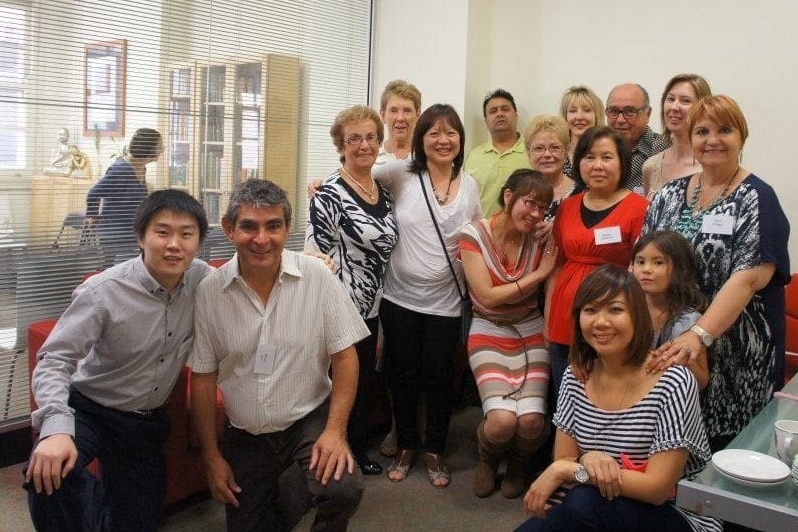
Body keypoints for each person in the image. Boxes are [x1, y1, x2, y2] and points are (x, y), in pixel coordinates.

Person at [24, 189, 211, 532]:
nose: (174, 244)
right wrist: (54, 428)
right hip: (90, 408)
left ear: (198, 241)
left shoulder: (204, 281)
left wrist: (313, 260)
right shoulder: (102, 291)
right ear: (141, 236)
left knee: (138, 521)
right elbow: (54, 359)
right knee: (48, 474)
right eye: (162, 232)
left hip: (142, 424)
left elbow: (253, 270)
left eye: (186, 234)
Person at [189, 178, 368, 530]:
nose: (261, 239)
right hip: (246, 430)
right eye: (249, 227)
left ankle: (303, 483)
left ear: (287, 228)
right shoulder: (210, 291)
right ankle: (286, 489)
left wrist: (335, 431)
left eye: (273, 226)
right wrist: (212, 458)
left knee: (343, 488)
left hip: (308, 418)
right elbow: (203, 378)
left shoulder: (316, 276)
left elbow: (345, 357)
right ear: (228, 229)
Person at [516, 265, 721, 532]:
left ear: (637, 316)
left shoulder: (673, 380)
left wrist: (568, 470)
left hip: (676, 513)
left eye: (615, 310)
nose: (601, 322)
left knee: (582, 503)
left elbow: (657, 489)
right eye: (590, 310)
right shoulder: (577, 375)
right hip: (602, 501)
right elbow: (565, 457)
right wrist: (585, 462)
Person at [643, 95, 791, 451]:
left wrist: (699, 335)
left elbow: (748, 277)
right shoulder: (668, 194)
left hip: (737, 345)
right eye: (702, 131)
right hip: (672, 335)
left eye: (724, 130)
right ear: (690, 138)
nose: (712, 139)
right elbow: (643, 258)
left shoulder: (758, 197)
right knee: (672, 434)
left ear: (742, 137)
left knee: (732, 446)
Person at [374, 104, 481, 488]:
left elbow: (476, 236)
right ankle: (405, 445)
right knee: (401, 374)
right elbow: (356, 176)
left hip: (447, 302)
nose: (442, 140)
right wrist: (323, 184)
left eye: (450, 132)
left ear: (460, 140)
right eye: (433, 132)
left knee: (438, 377)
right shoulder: (399, 173)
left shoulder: (468, 184)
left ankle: (434, 448)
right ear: (421, 139)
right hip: (400, 298)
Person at [305, 105, 399, 476]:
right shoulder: (328, 193)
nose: (364, 145)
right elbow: (314, 251)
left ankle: (355, 451)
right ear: (341, 145)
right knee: (338, 384)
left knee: (361, 383)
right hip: (338, 305)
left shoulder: (382, 190)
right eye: (354, 138)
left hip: (372, 303)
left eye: (371, 137)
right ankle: (329, 454)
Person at [460, 169, 558, 499]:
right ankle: (488, 460)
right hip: (488, 329)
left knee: (530, 421)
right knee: (502, 421)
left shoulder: (542, 238)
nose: (535, 214)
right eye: (529, 203)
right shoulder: (472, 235)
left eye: (542, 207)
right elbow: (486, 296)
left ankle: (518, 465)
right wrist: (539, 274)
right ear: (508, 197)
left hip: (530, 330)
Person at [544, 126, 648, 406]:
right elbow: (556, 266)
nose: (597, 165)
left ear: (622, 162)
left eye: (607, 157)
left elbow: (642, 274)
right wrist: (548, 318)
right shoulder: (568, 206)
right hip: (564, 320)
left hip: (609, 323)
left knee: (603, 402)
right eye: (590, 157)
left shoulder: (640, 208)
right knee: (564, 402)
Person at [630, 230, 709, 388]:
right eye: (640, 262)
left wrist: (686, 360)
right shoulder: (624, 311)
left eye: (658, 262)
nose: (646, 269)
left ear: (680, 269)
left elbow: (702, 382)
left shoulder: (690, 320)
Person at [85, 128, 163, 266]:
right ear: (148, 148)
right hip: (116, 232)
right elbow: (93, 193)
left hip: (130, 229)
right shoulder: (121, 170)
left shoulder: (141, 167)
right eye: (159, 146)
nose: (162, 150)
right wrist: (92, 215)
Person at [642, 74, 712, 199]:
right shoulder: (651, 167)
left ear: (703, 108)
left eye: (685, 101)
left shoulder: (712, 165)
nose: (674, 107)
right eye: (670, 99)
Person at [464, 89, 532, 216]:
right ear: (486, 121)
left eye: (505, 109)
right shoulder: (474, 156)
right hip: (483, 231)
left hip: (524, 232)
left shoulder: (532, 150)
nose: (500, 114)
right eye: (493, 111)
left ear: (516, 116)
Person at [605, 83, 668, 194]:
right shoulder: (597, 150)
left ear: (648, 114)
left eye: (630, 112)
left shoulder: (664, 152)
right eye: (613, 111)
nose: (620, 120)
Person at [524, 115, 577, 224]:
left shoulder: (581, 193)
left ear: (566, 151)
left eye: (555, 147)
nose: (547, 154)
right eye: (539, 148)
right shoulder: (519, 192)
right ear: (529, 154)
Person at [558, 86, 605, 178]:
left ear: (596, 116)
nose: (579, 117)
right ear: (565, 117)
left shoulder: (607, 151)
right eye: (573, 111)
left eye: (587, 110)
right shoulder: (556, 153)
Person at [376, 79, 422, 164]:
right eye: (393, 111)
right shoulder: (372, 160)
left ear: (418, 116)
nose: (400, 118)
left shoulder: (428, 160)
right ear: (383, 116)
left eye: (407, 110)